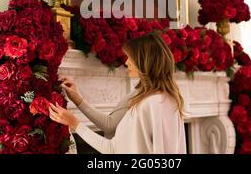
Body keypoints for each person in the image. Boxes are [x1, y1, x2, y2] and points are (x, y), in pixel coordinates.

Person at [49, 32, 187, 154]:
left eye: (130, 57)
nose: (126, 62)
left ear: (143, 61)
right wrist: (78, 100)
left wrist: (74, 123)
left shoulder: (146, 104)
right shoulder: (170, 99)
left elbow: (112, 149)